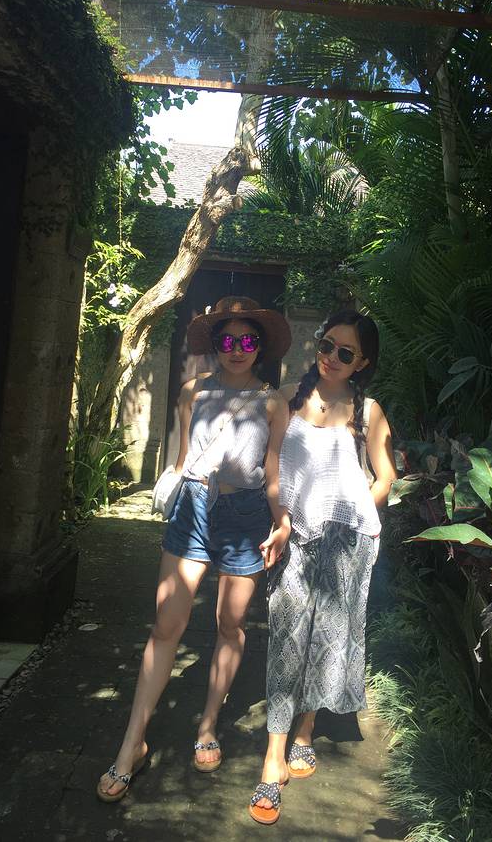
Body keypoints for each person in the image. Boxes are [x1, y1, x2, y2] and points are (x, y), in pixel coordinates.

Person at [97, 296, 292, 802]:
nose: (237, 348)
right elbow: (184, 459)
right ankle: (132, 743)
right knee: (166, 624)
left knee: (230, 623)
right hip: (194, 507)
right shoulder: (192, 393)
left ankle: (207, 724)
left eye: (248, 340)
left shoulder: (274, 402)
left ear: (260, 346)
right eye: (227, 339)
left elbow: (272, 472)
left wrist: (282, 521)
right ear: (215, 344)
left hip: (246, 515)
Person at [248, 309, 397, 825]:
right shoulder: (287, 399)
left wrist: (355, 513)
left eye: (345, 352)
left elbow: (385, 476)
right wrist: (281, 519)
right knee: (287, 640)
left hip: (345, 540)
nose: (331, 356)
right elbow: (272, 466)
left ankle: (306, 730)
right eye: (326, 344)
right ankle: (273, 758)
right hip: (292, 533)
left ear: (363, 362)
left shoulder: (368, 411)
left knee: (324, 637)